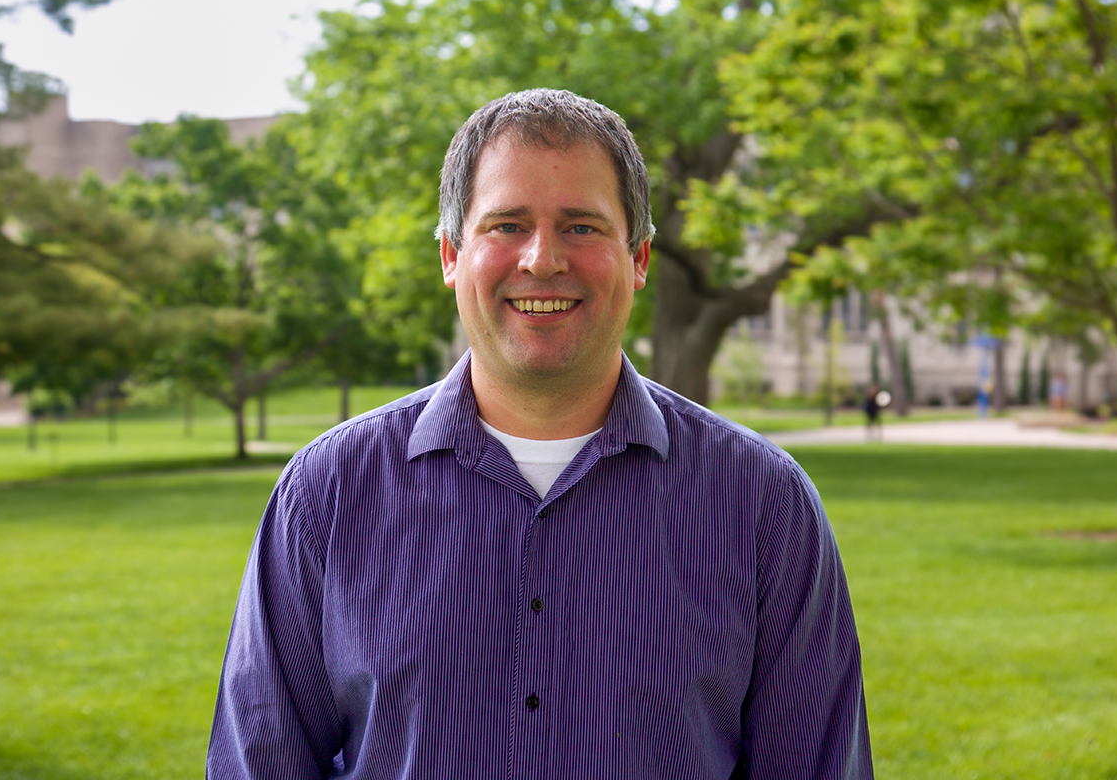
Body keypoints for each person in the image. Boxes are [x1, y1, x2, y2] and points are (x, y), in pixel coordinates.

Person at [207, 89, 872, 779]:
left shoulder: (763, 503)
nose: (542, 259)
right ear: (450, 255)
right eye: (506, 226)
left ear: (639, 258)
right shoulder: (326, 495)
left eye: (582, 227)